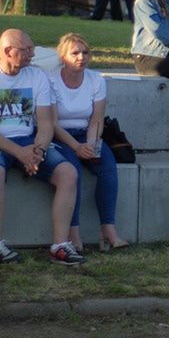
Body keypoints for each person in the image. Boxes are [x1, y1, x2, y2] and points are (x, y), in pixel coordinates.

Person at [0, 29, 84, 265]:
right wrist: (20, 153)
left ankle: (60, 246)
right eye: (26, 50)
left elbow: (45, 123)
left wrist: (38, 151)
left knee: (68, 173)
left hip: (28, 140)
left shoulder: (37, 76)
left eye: (32, 48)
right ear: (8, 51)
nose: (32, 54)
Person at [48, 33, 129, 253]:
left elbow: (97, 119)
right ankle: (73, 231)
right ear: (62, 56)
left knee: (108, 167)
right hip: (60, 135)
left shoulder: (96, 79)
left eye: (85, 52)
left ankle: (108, 228)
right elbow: (51, 123)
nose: (81, 57)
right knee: (72, 171)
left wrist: (92, 144)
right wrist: (76, 147)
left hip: (88, 133)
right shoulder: (51, 80)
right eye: (75, 53)